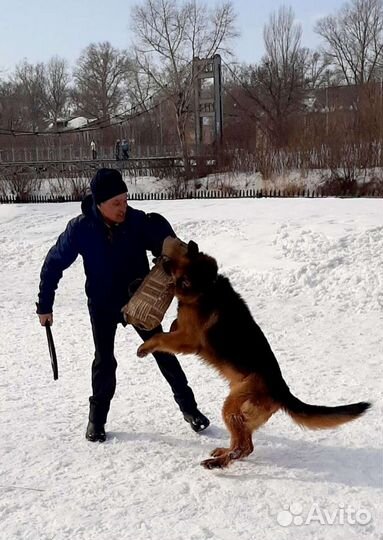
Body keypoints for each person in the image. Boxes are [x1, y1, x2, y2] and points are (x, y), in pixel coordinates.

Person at [36, 168, 209, 442]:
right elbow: (54, 263)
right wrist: (45, 305)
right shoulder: (80, 229)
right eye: (116, 202)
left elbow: (163, 240)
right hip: (102, 305)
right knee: (104, 361)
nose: (123, 207)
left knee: (163, 352)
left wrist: (180, 255)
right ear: (99, 203)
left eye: (125, 200)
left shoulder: (137, 222)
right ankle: (97, 420)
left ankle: (190, 409)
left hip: (140, 302)